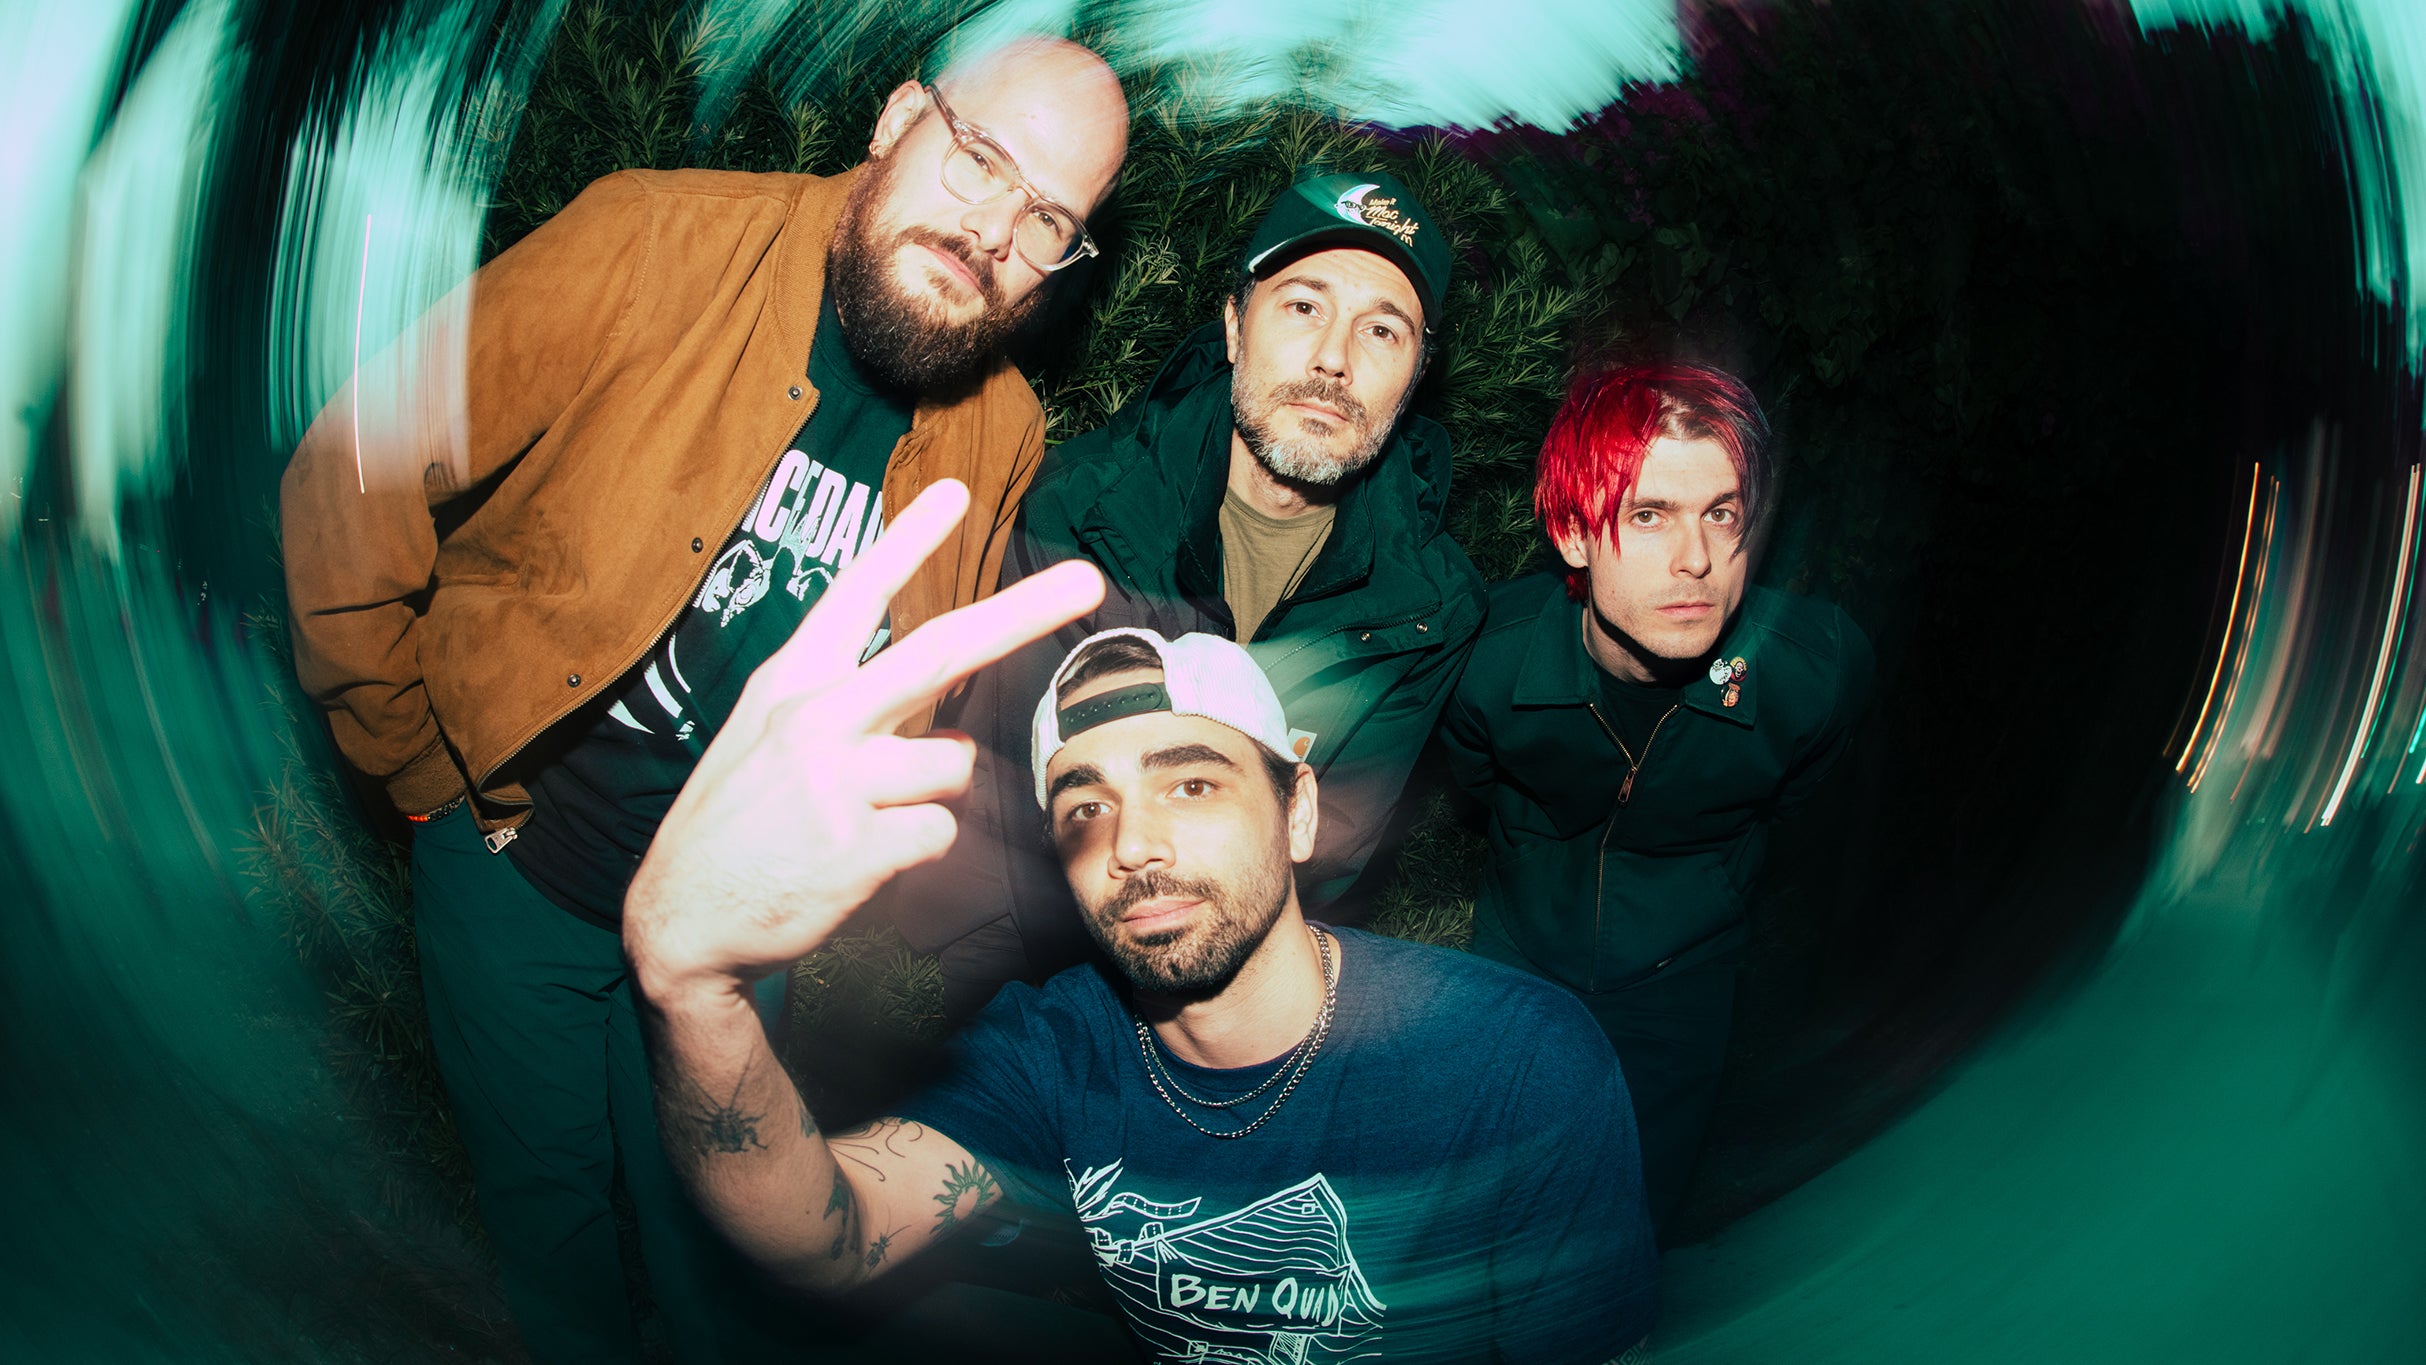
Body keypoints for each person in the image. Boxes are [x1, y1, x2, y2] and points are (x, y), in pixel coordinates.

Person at [277, 39, 1129, 1363]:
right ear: (899, 117)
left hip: (741, 934)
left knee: (722, 1257)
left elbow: (928, 680)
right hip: (516, 869)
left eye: (1047, 221)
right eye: (978, 161)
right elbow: (356, 471)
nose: (991, 231)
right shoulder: (651, 242)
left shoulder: (1000, 426)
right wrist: (423, 770)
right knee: (549, 1227)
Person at [623, 479, 1657, 1364]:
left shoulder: (1514, 1064)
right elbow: (832, 1235)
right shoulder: (1052, 1051)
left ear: (1297, 812)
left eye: (1192, 784)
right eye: (1085, 806)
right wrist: (692, 987)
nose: (1132, 843)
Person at [902, 168, 1488, 1020]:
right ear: (1234, 326)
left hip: (1242, 978)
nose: (1334, 358)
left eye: (1382, 330)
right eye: (1303, 306)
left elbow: (1328, 854)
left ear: (1415, 375)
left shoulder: (1428, 606)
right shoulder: (1080, 508)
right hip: (1027, 956)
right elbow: (1026, 813)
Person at [1438, 363, 1875, 1238]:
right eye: (1649, 514)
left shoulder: (1813, 670)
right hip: (1519, 952)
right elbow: (1472, 784)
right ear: (1573, 533)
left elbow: (1803, 802)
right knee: (1481, 1206)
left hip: (1686, 974)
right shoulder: (1487, 658)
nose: (1698, 559)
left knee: (1628, 1225)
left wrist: (1714, 883)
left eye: (1722, 513)